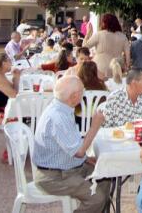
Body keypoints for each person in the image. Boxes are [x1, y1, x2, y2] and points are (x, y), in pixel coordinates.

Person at [33, 76, 109, 213]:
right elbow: (79, 151)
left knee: (105, 177)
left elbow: (70, 145)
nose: (83, 94)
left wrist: (86, 158)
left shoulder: (61, 107)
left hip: (66, 167)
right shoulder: (58, 117)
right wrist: (94, 126)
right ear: (74, 96)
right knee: (97, 198)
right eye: (82, 92)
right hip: (54, 176)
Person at [83, 13, 131, 77]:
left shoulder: (99, 34)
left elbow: (84, 47)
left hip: (99, 67)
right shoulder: (123, 37)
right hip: (117, 68)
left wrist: (88, 33)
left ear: (104, 23)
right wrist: (127, 67)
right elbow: (128, 55)